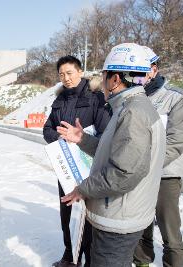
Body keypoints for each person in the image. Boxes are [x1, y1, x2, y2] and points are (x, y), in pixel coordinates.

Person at [57, 43, 166, 267]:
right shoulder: (130, 108)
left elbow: (124, 172)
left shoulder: (133, 113)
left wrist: (83, 188)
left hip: (118, 221)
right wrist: (82, 139)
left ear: (115, 79)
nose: (102, 81)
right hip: (120, 215)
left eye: (104, 75)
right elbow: (117, 154)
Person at [43, 55, 110, 267]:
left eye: (69, 73)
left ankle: (89, 259)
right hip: (65, 167)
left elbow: (105, 132)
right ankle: (70, 255)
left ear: (80, 72)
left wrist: (81, 141)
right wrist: (62, 140)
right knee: (67, 211)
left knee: (88, 215)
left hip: (88, 165)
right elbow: (47, 129)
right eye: (62, 74)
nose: (66, 78)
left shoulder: (96, 98)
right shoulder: (59, 100)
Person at [133, 47, 183, 267]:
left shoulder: (176, 97)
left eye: (141, 71)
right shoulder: (132, 97)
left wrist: (148, 164)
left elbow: (177, 140)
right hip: (137, 176)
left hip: (165, 175)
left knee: (169, 231)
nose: (136, 77)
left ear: (153, 69)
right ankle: (141, 263)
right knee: (140, 228)